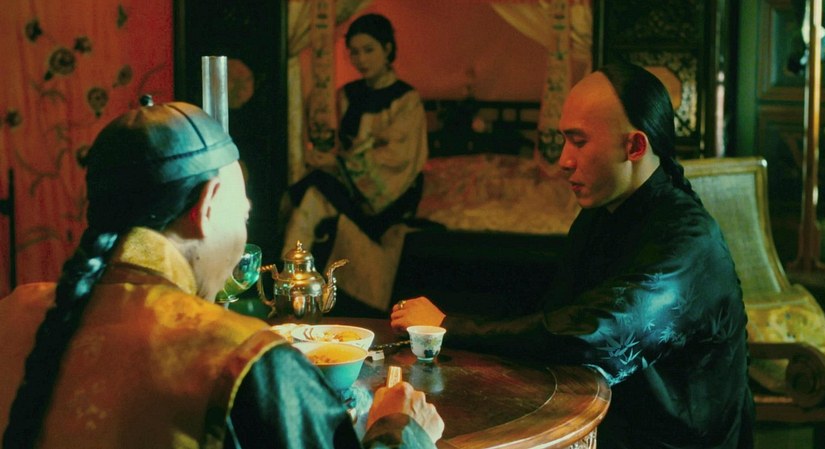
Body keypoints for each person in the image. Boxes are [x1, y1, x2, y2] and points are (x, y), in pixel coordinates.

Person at [0, 98, 443, 448]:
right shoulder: (242, 356)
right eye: (243, 215)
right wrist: (399, 429)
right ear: (207, 207)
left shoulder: (14, 313)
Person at [391, 63, 753, 449]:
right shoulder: (601, 214)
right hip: (611, 423)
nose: (564, 160)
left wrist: (448, 326)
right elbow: (556, 308)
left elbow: (592, 334)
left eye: (578, 142)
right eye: (564, 141)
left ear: (634, 146)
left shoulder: (688, 239)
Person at [282, 13, 429, 315]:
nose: (361, 59)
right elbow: (339, 144)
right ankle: (295, 279)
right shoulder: (347, 95)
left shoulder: (406, 99)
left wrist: (339, 164)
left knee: (311, 191)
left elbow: (398, 158)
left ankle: (289, 281)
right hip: (349, 181)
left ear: (387, 49)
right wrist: (329, 159)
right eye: (355, 52)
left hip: (389, 194)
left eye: (369, 50)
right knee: (307, 192)